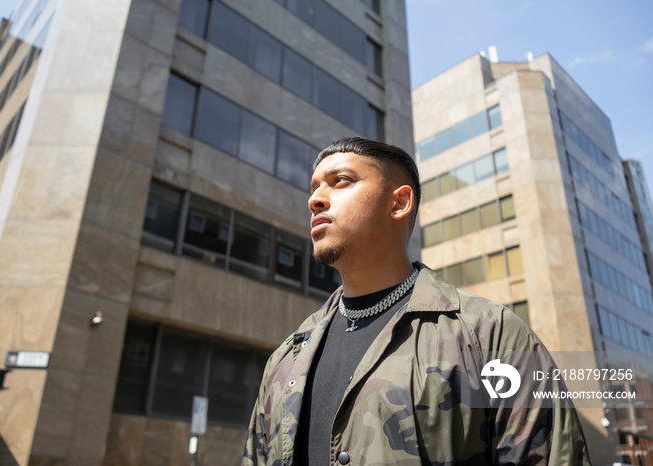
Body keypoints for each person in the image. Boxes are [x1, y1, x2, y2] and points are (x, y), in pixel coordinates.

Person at [242, 137, 590, 465]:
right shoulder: (286, 359)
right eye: (314, 186)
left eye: (341, 181)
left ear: (399, 203)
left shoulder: (490, 336)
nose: (315, 199)